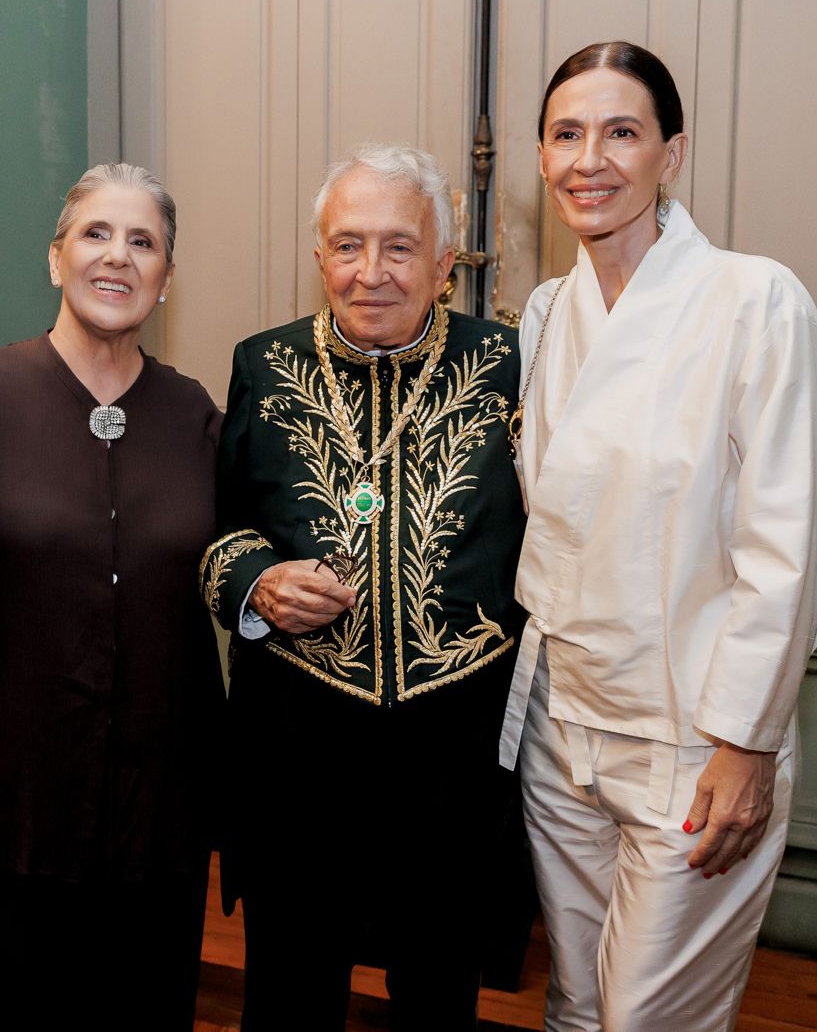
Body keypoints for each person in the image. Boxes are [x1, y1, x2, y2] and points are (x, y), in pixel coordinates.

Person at [501, 41, 817, 1031]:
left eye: (620, 132)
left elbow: (789, 544)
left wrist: (746, 745)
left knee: (652, 1016)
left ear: (670, 153)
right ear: (540, 155)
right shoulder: (545, 312)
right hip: (561, 729)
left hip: (695, 736)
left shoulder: (754, 300)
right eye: (566, 133)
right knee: (574, 998)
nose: (588, 159)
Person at [201, 143, 527, 1031]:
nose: (370, 273)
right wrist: (257, 581)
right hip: (298, 747)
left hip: (452, 753)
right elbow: (218, 528)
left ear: (444, 264)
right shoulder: (262, 366)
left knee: (438, 991)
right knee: (290, 991)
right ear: (319, 257)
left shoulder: (512, 364)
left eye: (398, 247)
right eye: (348, 246)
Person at [0, 163, 223, 1029]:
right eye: (96, 233)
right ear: (56, 259)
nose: (117, 257)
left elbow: (241, 563)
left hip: (155, 814)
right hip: (4, 806)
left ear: (166, 277)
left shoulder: (195, 415)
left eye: (144, 241)